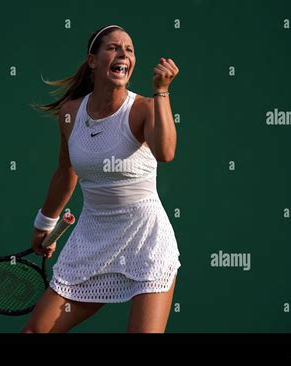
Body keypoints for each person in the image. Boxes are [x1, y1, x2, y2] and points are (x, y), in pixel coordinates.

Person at [22, 25, 181, 333]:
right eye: (113, 48)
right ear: (93, 61)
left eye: (130, 49)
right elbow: (64, 172)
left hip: (146, 240)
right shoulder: (70, 113)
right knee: (35, 332)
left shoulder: (145, 108)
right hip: (92, 239)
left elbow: (166, 152)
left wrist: (161, 91)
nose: (124, 53)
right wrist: (44, 225)